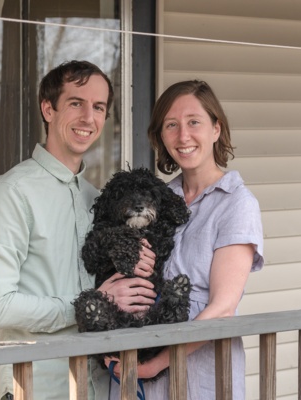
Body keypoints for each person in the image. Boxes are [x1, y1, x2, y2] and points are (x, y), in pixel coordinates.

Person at [0, 60, 156, 400]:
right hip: (37, 386)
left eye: (98, 107)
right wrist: (90, 304)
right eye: (76, 103)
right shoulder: (11, 193)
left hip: (100, 385)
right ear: (48, 109)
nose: (89, 117)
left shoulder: (95, 199)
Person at [107, 80, 264, 400]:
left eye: (194, 122)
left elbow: (221, 308)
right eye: (171, 125)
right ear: (161, 136)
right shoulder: (157, 200)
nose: (183, 136)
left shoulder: (236, 203)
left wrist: (156, 363)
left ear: (216, 129)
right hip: (138, 361)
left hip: (199, 370)